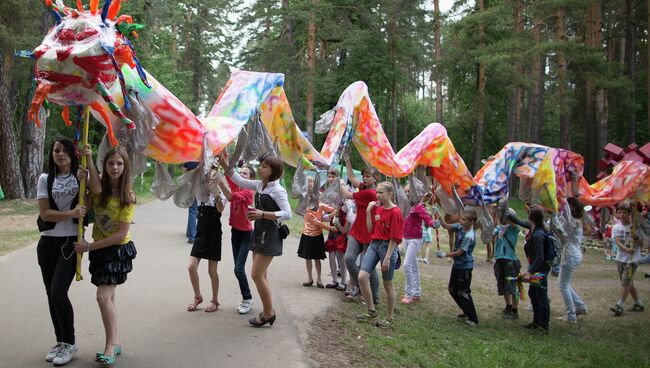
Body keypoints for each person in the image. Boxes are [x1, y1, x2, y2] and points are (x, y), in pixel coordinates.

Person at [74, 145, 137, 365]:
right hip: (100, 248)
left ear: (125, 166)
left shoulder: (128, 196)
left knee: (102, 297)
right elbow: (89, 199)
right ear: (105, 165)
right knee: (108, 297)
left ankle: (110, 345)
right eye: (111, 163)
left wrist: (90, 246)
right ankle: (116, 342)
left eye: (119, 163)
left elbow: (120, 234)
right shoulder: (98, 188)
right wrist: (86, 170)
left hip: (116, 250)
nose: (115, 167)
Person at [220, 152, 292, 327]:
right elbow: (238, 180)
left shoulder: (278, 190)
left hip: (270, 236)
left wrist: (262, 214)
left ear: (273, 170)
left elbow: (288, 213)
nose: (260, 168)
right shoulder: (260, 185)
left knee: (256, 274)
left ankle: (268, 313)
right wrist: (225, 164)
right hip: (258, 233)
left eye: (265, 166)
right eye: (261, 165)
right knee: (262, 275)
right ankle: (268, 310)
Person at [36, 138, 86, 366]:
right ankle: (60, 342)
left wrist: (90, 162)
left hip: (69, 242)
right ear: (52, 154)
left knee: (58, 293)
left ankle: (70, 342)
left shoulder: (80, 177)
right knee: (50, 296)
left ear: (72, 155)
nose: (61, 154)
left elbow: (94, 194)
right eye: (57, 150)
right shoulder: (45, 179)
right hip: (47, 243)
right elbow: (45, 214)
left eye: (65, 151)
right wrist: (70, 213)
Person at [355, 182, 404, 328]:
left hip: (387, 247)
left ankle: (389, 318)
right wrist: (369, 212)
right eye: (377, 192)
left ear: (390, 194)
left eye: (380, 193)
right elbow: (370, 229)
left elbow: (394, 237)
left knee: (387, 284)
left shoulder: (396, 212)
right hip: (374, 244)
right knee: (362, 277)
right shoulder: (378, 209)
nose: (377, 195)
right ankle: (371, 311)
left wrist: (388, 258)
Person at [186, 164, 227, 313]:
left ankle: (215, 300)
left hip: (214, 232)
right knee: (191, 267)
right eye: (207, 173)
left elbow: (221, 208)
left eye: (211, 174)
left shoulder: (221, 191)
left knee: (212, 270)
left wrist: (215, 191)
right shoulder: (200, 190)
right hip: (200, 232)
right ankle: (198, 296)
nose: (209, 176)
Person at [340, 154, 380, 304]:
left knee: (369, 267)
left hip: (369, 233)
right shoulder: (364, 187)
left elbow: (347, 194)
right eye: (364, 175)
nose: (364, 178)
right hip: (356, 231)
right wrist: (348, 160)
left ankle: (374, 297)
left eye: (368, 176)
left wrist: (340, 182)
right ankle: (359, 286)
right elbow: (351, 176)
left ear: (375, 178)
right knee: (349, 258)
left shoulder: (371, 192)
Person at [217, 165, 256, 314]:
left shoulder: (248, 192)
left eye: (245, 174)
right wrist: (223, 156)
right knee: (237, 269)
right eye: (240, 173)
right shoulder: (237, 186)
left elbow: (231, 197)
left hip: (246, 234)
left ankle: (247, 298)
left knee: (238, 269)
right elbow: (229, 174)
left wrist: (220, 182)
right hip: (235, 233)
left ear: (251, 178)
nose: (241, 175)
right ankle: (246, 298)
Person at [436, 207, 480, 327]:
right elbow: (446, 226)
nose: (461, 221)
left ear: (471, 222)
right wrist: (438, 214)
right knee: (452, 289)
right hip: (458, 266)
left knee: (463, 292)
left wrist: (445, 254)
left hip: (465, 267)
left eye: (464, 219)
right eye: (461, 218)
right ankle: (466, 311)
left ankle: (473, 318)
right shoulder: (461, 227)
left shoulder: (469, 236)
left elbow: (460, 252)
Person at [401, 189, 438, 305]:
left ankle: (409, 294)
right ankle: (416, 293)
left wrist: (433, 223)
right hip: (406, 237)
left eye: (409, 192)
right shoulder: (407, 205)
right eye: (406, 192)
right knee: (413, 265)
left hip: (415, 239)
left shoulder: (419, 207)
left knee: (407, 265)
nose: (407, 194)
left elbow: (427, 219)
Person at [298, 177, 336, 288]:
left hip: (317, 235)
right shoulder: (306, 205)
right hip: (307, 234)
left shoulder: (319, 202)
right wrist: (330, 228)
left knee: (317, 258)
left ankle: (319, 279)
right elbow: (317, 222)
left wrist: (334, 211)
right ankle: (310, 278)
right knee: (308, 258)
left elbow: (327, 208)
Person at [557, 197, 589, 323]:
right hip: (574, 254)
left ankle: (571, 316)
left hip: (571, 255)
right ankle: (580, 306)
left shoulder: (573, 222)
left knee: (563, 285)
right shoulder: (576, 221)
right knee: (564, 283)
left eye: (568, 206)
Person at [609, 203, 645, 316]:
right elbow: (618, 242)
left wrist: (636, 237)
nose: (622, 214)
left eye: (624, 212)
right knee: (627, 282)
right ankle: (638, 303)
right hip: (620, 259)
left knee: (626, 282)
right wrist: (626, 249)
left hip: (632, 261)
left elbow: (642, 243)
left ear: (629, 214)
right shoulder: (616, 227)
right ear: (617, 214)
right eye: (620, 212)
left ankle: (619, 305)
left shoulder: (635, 227)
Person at [522, 205, 550, 332]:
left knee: (541, 295)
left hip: (540, 269)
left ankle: (544, 325)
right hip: (536, 267)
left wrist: (529, 272)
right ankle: (536, 321)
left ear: (531, 217)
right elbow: (520, 222)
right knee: (533, 293)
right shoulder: (534, 228)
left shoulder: (538, 234)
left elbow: (540, 257)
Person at [493, 208, 522, 320]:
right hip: (500, 259)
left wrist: (510, 218)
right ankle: (508, 307)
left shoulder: (514, 229)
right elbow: (494, 230)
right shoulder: (499, 228)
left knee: (512, 286)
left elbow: (514, 224)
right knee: (503, 285)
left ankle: (515, 310)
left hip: (510, 260)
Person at [183, 161, 199, 243]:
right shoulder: (203, 156)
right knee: (198, 210)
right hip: (201, 186)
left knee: (192, 210)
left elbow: (184, 171)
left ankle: (191, 235)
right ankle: (194, 234)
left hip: (190, 186)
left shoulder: (188, 158)